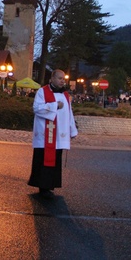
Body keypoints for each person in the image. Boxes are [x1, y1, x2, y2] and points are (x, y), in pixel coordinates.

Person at [28, 69, 78, 199]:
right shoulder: (42, 92)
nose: (63, 81)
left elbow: (69, 114)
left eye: (64, 79)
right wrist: (55, 105)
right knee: (43, 159)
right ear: (52, 79)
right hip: (46, 134)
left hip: (59, 134)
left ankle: (51, 184)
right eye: (60, 78)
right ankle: (42, 186)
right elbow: (37, 108)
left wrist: (72, 130)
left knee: (55, 159)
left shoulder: (66, 95)